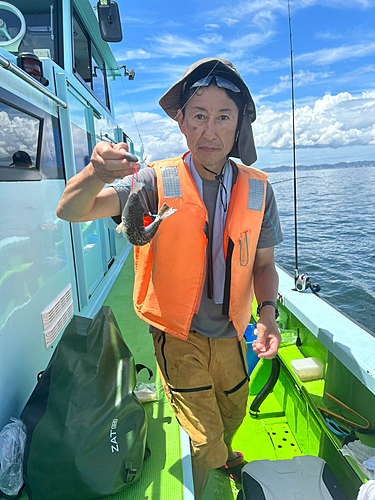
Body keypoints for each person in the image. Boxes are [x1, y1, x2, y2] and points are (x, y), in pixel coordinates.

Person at [56, 57, 283, 499]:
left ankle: (223, 452)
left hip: (233, 332)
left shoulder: (259, 189)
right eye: (198, 116)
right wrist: (95, 173)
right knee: (202, 438)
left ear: (239, 127)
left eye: (223, 117)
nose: (210, 131)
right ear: (181, 122)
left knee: (232, 413)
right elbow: (71, 210)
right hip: (177, 332)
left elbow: (263, 266)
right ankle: (206, 477)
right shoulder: (153, 182)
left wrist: (269, 314)